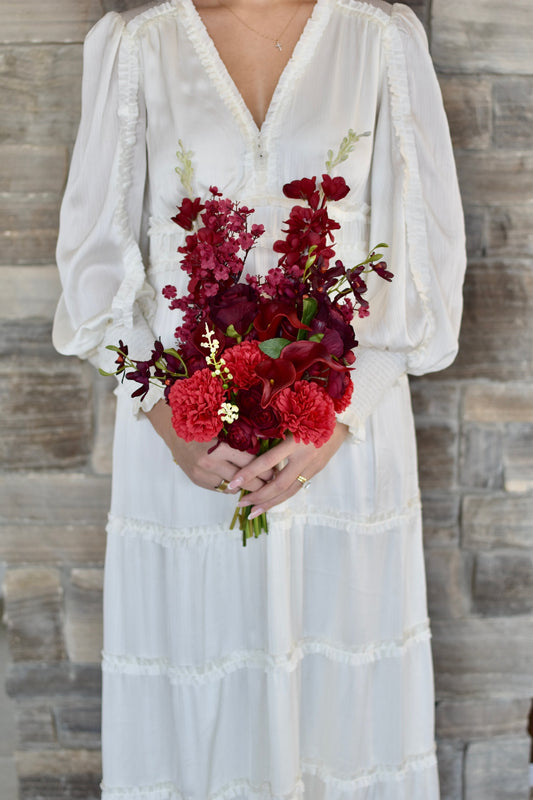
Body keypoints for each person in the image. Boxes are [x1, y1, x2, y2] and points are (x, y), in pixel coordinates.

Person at [53, 0, 466, 797]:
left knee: (338, 713)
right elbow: (95, 274)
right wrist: (172, 425)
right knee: (196, 697)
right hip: (188, 448)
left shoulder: (376, 39)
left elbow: (418, 271)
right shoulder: (139, 45)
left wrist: (334, 422)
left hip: (345, 440)